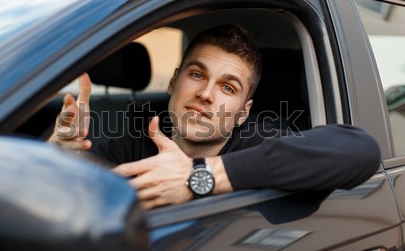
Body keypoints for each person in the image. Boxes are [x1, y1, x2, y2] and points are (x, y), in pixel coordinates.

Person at [48, 24, 381, 210]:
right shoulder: (137, 143)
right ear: (172, 82)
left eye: (227, 87)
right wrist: (60, 156)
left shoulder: (262, 141)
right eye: (196, 75)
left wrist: (198, 178)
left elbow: (361, 149)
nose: (206, 93)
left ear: (242, 114)